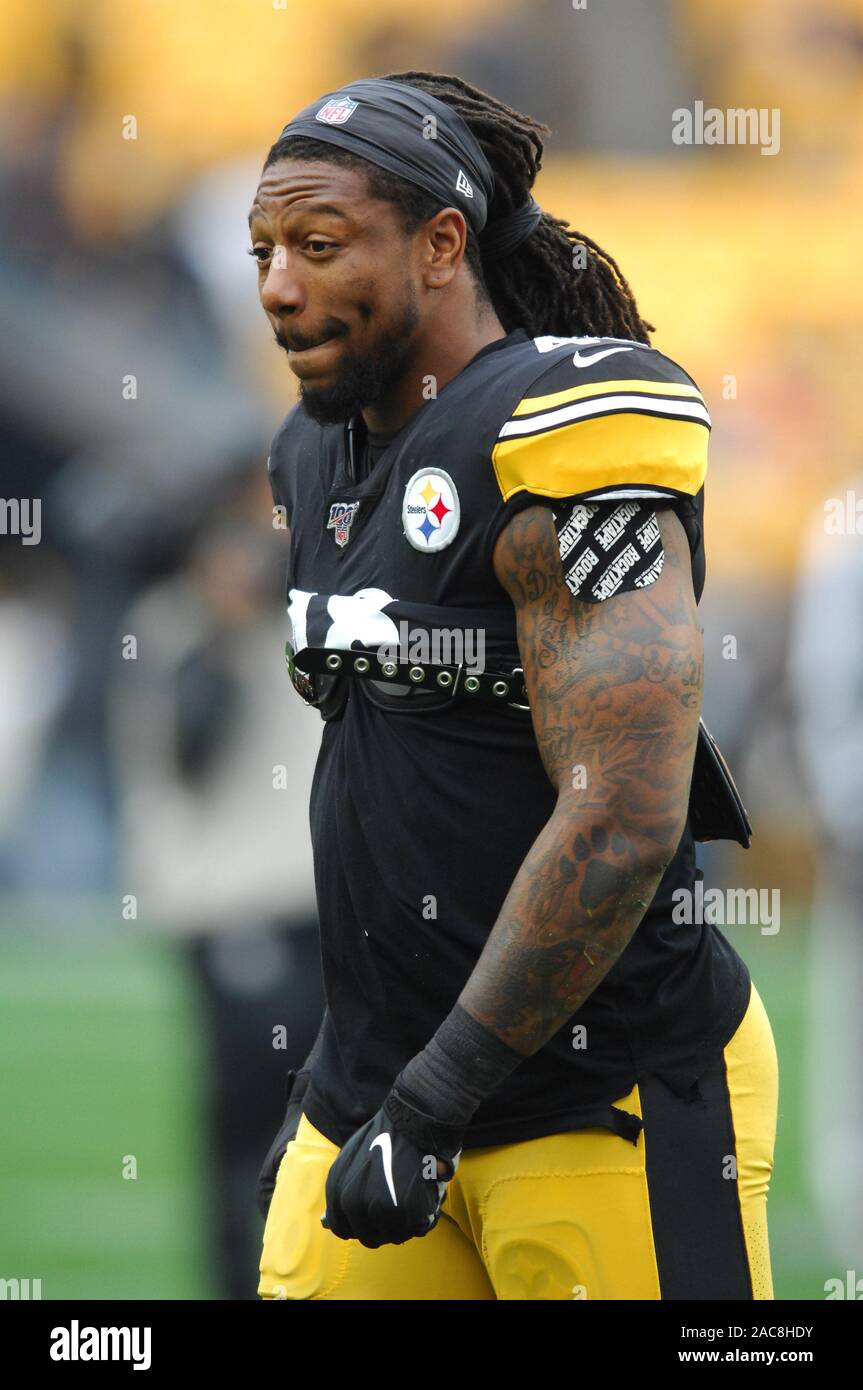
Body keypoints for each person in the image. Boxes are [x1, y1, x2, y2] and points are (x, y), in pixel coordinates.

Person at [251, 72, 778, 1301]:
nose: (279, 284)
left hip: (593, 1095)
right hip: (374, 1087)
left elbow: (622, 816)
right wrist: (346, 1074)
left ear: (443, 244)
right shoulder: (311, 449)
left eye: (319, 244)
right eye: (265, 249)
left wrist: (432, 1102)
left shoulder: (564, 426)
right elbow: (395, 804)